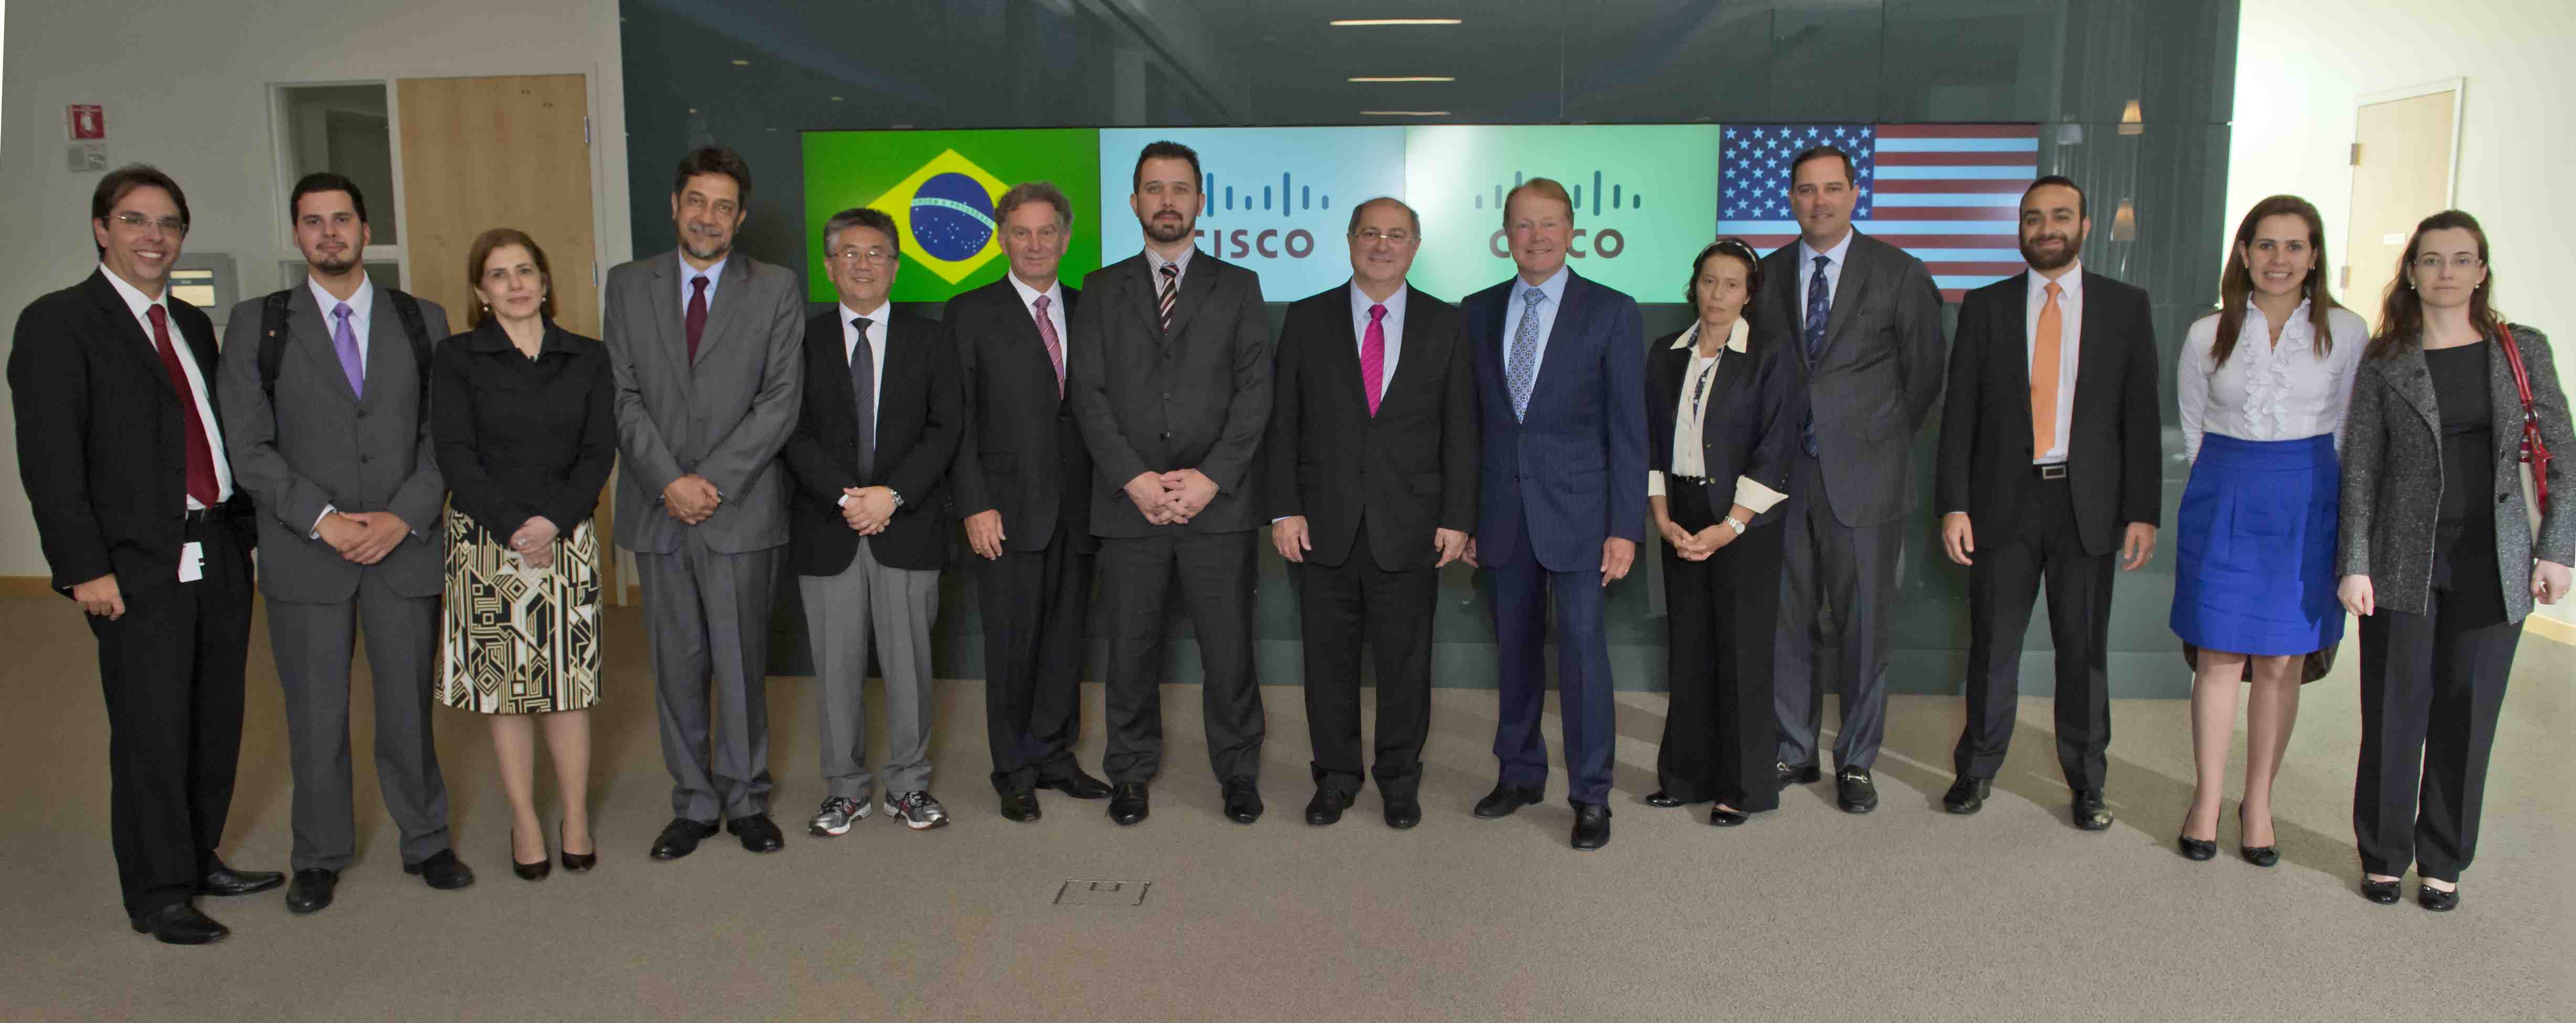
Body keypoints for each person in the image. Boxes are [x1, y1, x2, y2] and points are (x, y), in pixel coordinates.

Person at [10, 165, 281, 944]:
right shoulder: (58, 323)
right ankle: (158, 890)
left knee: (214, 716)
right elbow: (51, 462)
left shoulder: (193, 322)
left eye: (167, 224)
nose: (152, 237)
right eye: (134, 220)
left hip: (217, 549)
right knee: (151, 726)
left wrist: (242, 535)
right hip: (133, 565)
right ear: (102, 229)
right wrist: (83, 567)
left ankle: (198, 857)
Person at [219, 172, 469, 912]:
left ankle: (426, 839)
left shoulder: (422, 319)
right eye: (312, 221)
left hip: (404, 547)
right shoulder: (256, 323)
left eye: (342, 220)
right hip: (307, 553)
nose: (329, 233)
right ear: (297, 235)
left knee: (405, 709)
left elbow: (445, 436)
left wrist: (403, 515)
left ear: (366, 230)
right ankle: (319, 853)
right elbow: (249, 445)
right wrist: (323, 519)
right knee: (317, 712)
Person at [2338, 210, 2573, 910]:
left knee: (2469, 714)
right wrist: (2354, 561)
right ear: (2411, 271)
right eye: (2432, 259)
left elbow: (2562, 455)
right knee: (2393, 708)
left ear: (2481, 270)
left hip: (2494, 558)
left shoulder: (2521, 350)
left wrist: (2559, 548)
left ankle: (2444, 858)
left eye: (2460, 259)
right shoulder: (2387, 358)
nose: (2446, 272)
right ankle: (2383, 854)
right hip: (2401, 558)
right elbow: (2360, 469)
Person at [1934, 177, 2161, 829]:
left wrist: (2142, 510)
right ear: (2021, 230)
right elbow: (1960, 418)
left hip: (2088, 507)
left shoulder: (2125, 307)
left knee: (2083, 653)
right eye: (2034, 219)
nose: (2046, 229)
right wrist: (1954, 504)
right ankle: (1976, 770)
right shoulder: (1986, 307)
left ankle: (2088, 784)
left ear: (2085, 226)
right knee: (1993, 649)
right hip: (2003, 504)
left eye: (2060, 216)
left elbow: (2139, 418)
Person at [604, 146, 807, 859]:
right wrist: (670, 481)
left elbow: (781, 401)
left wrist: (711, 481)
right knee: (676, 663)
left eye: (724, 206)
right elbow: (623, 396)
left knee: (742, 660)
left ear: (741, 216)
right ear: (675, 205)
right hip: (659, 507)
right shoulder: (627, 285)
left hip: (740, 508)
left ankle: (747, 797)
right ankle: (692, 802)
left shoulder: (775, 287)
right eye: (697, 201)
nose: (709, 217)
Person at [1068, 140, 1274, 827]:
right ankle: (1129, 772)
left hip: (1218, 506)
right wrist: (1134, 479)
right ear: (1134, 202)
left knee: (1229, 647)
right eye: (1153, 189)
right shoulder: (1100, 289)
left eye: (1180, 189)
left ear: (1200, 201)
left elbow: (1254, 396)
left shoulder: (1239, 286)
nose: (1167, 201)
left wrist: (1211, 480)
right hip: (1131, 506)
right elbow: (1088, 394)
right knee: (1130, 649)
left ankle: (1239, 771)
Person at [1264, 197, 1476, 830]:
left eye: (1397, 236)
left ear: (1415, 247)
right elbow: (1284, 425)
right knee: (1326, 662)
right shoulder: (1307, 319)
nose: (1382, 245)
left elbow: (1462, 429)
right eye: (1370, 233)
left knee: (1406, 665)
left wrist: (1458, 516)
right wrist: (1283, 510)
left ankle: (1399, 780)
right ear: (1350, 240)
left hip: (1411, 526)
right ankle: (1334, 778)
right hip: (1321, 525)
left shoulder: (1448, 324)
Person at [2171, 194, 2366, 865]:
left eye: (2294, 246)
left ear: (2314, 257)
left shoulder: (2347, 331)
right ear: (2245, 254)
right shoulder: (2207, 332)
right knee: (2221, 653)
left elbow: (2349, 430)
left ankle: (2258, 804)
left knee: (2282, 661)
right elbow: (2194, 428)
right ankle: (2205, 800)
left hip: (2307, 497)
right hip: (2225, 491)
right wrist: (2226, 487)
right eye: (2266, 245)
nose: (2279, 259)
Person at [1756, 145, 1947, 814]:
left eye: (1832, 188)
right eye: (1806, 190)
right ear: (1792, 199)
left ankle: (1858, 760)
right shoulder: (1768, 274)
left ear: (1855, 193)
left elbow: (1926, 377)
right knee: (1788, 621)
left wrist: (1876, 438)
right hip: (1783, 480)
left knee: (1865, 627)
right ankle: (1794, 747)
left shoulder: (1899, 273)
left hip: (1867, 479)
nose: (1820, 202)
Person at [1461, 177, 1648, 850]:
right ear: (1504, 236)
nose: (1536, 238)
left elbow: (1630, 431)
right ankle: (1518, 773)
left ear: (1573, 232)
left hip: (1582, 516)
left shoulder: (1612, 311)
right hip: (1502, 515)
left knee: (1582, 660)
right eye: (1522, 226)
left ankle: (1590, 793)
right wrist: (1467, 519)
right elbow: (1469, 428)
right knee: (1513, 655)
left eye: (1549, 225)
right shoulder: (1475, 311)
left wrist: (1625, 527)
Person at [429, 229, 615, 881]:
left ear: (544, 281)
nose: (516, 284)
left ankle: (573, 816)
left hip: (567, 541)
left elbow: (598, 452)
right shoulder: (456, 359)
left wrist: (553, 523)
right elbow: (456, 455)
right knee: (507, 694)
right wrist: (515, 528)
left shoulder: (587, 357)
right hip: (487, 543)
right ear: (481, 291)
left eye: (526, 271)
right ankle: (524, 819)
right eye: (500, 275)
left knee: (568, 688)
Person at [781, 208, 963, 834]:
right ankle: (844, 790)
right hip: (826, 528)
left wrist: (892, 496)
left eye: (876, 252)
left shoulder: (932, 339)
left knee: (910, 665)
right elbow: (790, 430)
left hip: (906, 527)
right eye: (849, 253)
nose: (863, 264)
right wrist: (846, 497)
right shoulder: (798, 341)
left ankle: (909, 787)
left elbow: (946, 431)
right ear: (829, 266)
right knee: (835, 668)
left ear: (896, 265)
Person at [948, 181, 1113, 823]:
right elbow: (957, 419)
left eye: (1048, 232)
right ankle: (1012, 768)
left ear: (1066, 239)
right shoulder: (970, 313)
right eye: (1022, 232)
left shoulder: (1090, 306)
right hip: (1005, 511)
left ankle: (1053, 756)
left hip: (1080, 510)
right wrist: (974, 503)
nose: (1036, 244)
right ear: (1001, 238)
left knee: (1066, 642)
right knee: (1012, 646)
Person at [1642, 238, 1795, 827]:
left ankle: (1744, 787)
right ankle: (1685, 776)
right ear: (1694, 285)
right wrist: (1661, 516)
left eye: (1732, 284)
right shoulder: (1666, 352)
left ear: (1749, 293)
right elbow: (1652, 442)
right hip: (1679, 515)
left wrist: (1730, 527)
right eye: (1709, 281)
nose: (1718, 294)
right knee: (1688, 651)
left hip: (1745, 523)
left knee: (1742, 657)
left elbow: (1776, 447)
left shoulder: (1771, 355)